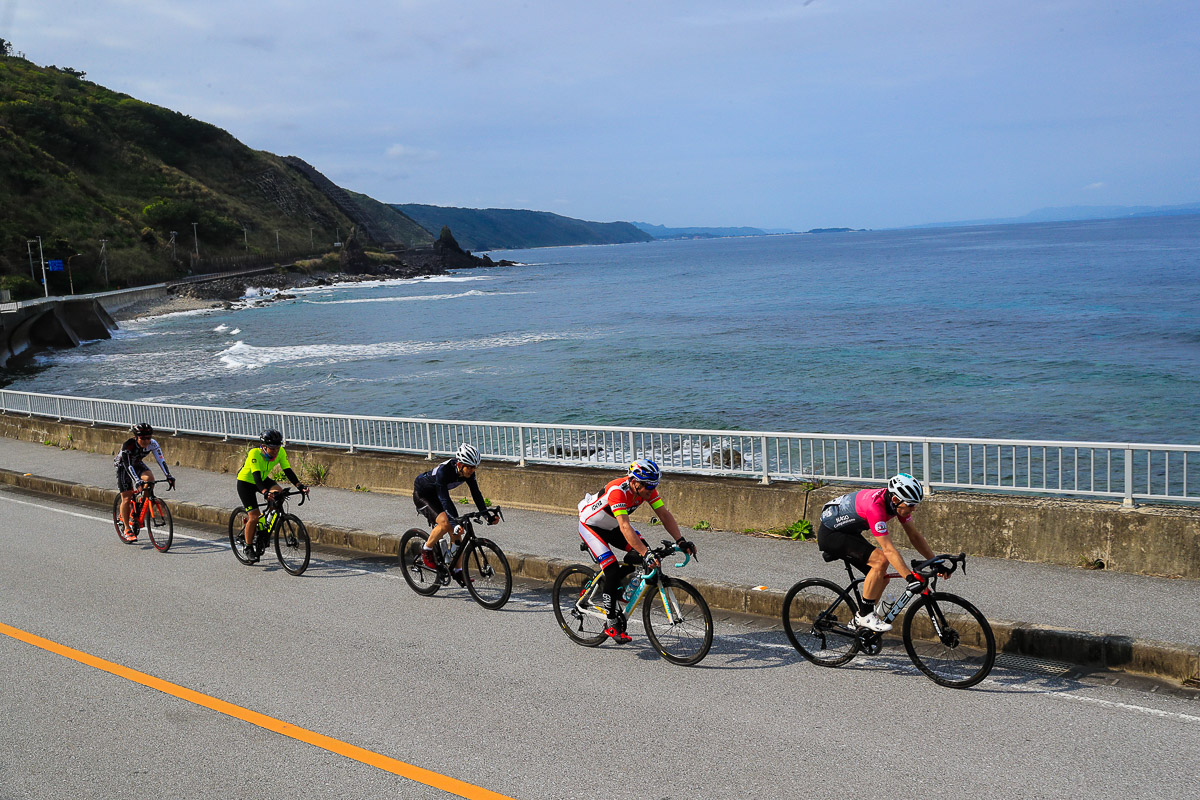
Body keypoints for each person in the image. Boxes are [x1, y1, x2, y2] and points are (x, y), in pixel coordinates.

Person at [577, 458, 696, 643]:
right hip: (592, 527)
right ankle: (610, 622)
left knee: (644, 557)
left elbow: (664, 514)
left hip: (613, 526)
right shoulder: (618, 491)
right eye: (648, 486)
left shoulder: (646, 491)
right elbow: (625, 527)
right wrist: (645, 553)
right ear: (634, 482)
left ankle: (620, 592)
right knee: (613, 569)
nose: (651, 490)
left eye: (654, 486)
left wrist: (680, 540)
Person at [816, 472, 935, 632]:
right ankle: (865, 616)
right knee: (880, 561)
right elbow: (888, 550)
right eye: (911, 504)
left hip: (849, 531)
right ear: (895, 499)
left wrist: (935, 561)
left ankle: (860, 620)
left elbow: (914, 536)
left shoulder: (896, 504)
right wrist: (909, 578)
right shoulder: (875, 508)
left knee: (882, 578)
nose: (913, 509)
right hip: (831, 534)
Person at [412, 443, 499, 583]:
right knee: (446, 523)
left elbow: (476, 494)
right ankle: (426, 550)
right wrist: (453, 522)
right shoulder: (444, 472)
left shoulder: (469, 473)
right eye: (469, 467)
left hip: (439, 495)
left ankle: (457, 571)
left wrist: (486, 515)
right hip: (424, 495)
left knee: (458, 531)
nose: (472, 470)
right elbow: (443, 499)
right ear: (459, 464)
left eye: (474, 467)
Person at [235, 429, 307, 561]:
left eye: (278, 448)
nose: (276, 451)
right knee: (254, 516)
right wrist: (265, 492)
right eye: (272, 448)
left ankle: (265, 525)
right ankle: (248, 546)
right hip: (246, 482)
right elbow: (256, 477)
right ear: (263, 446)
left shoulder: (280, 452)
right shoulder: (254, 453)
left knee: (279, 493)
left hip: (262, 480)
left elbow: (288, 470)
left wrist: (299, 486)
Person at [114, 422, 175, 541]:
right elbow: (128, 466)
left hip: (136, 463)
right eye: (143, 438)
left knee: (150, 479)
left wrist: (169, 476)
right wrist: (137, 481)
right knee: (126, 498)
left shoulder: (153, 444)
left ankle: (143, 502)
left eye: (149, 438)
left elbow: (161, 460)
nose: (146, 441)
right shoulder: (129, 445)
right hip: (124, 466)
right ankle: (127, 528)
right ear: (136, 437)